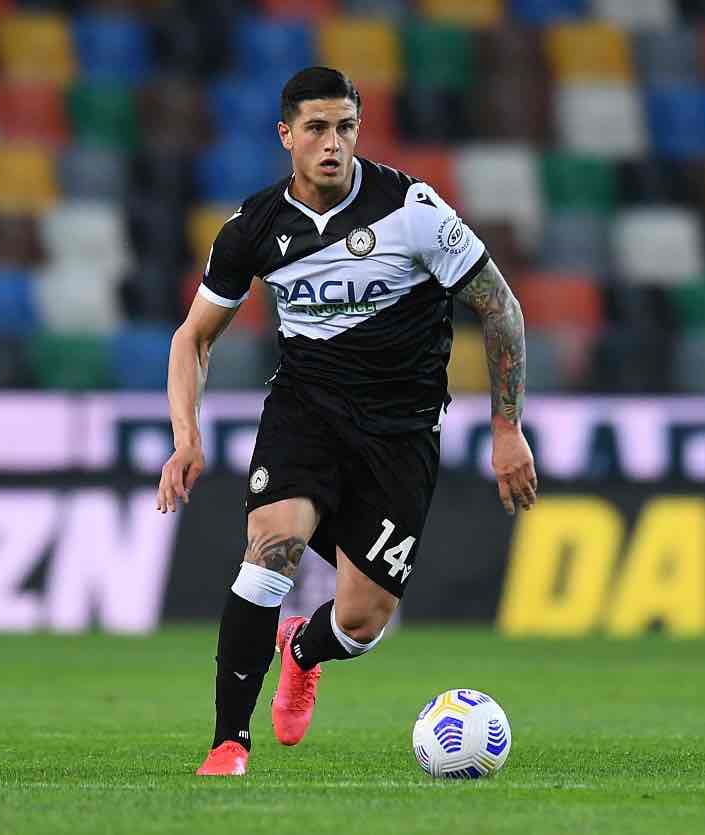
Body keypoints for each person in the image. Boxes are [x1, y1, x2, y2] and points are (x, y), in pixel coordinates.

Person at [156, 66, 538, 777]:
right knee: (269, 554)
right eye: (316, 129)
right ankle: (229, 743)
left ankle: (303, 650)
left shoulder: (412, 210)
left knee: (362, 622)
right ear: (286, 135)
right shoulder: (252, 228)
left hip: (400, 432)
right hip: (306, 416)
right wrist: (186, 435)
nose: (332, 144)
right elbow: (193, 338)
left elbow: (500, 307)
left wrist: (506, 427)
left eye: (345, 128)